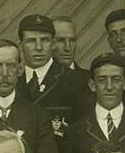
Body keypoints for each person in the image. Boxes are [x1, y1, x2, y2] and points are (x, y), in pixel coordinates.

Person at [15, 13, 87, 143]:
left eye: (44, 40)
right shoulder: (12, 81)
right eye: (31, 41)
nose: (38, 48)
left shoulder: (76, 81)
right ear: (20, 45)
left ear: (53, 44)